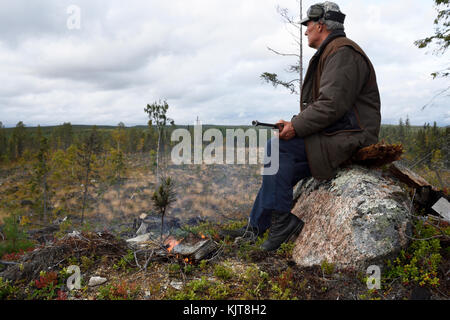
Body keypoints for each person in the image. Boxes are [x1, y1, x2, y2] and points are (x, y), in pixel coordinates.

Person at [221, 1, 381, 251]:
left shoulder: (342, 53)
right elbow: (329, 106)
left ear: (320, 25)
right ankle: (256, 227)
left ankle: (283, 225)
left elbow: (331, 105)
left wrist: (295, 126)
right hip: (336, 133)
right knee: (276, 168)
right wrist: (294, 124)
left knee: (278, 149)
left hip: (351, 137)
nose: (305, 30)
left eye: (308, 25)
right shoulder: (333, 51)